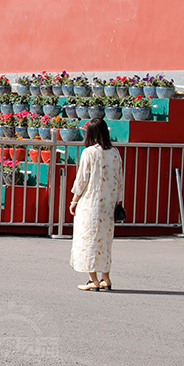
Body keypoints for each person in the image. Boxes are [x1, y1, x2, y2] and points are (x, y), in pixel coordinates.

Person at [70, 118, 124, 291]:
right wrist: (118, 200)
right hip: (108, 204)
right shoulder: (115, 153)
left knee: (88, 240)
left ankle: (92, 280)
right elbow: (119, 179)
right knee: (104, 241)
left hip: (90, 203)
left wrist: (74, 200)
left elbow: (82, 180)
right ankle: (105, 278)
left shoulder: (89, 152)